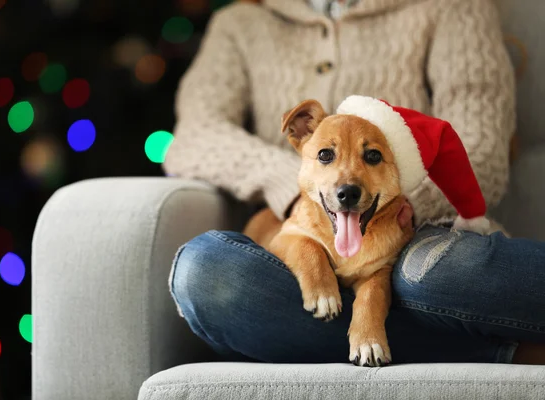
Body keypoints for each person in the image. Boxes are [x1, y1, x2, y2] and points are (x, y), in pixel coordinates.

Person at [162, 0, 545, 365]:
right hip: (295, 248)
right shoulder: (241, 24)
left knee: (429, 274)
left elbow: (481, 147)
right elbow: (194, 134)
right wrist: (297, 187)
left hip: (426, 231)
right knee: (204, 272)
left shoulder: (452, 7)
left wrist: (399, 206)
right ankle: (499, 353)